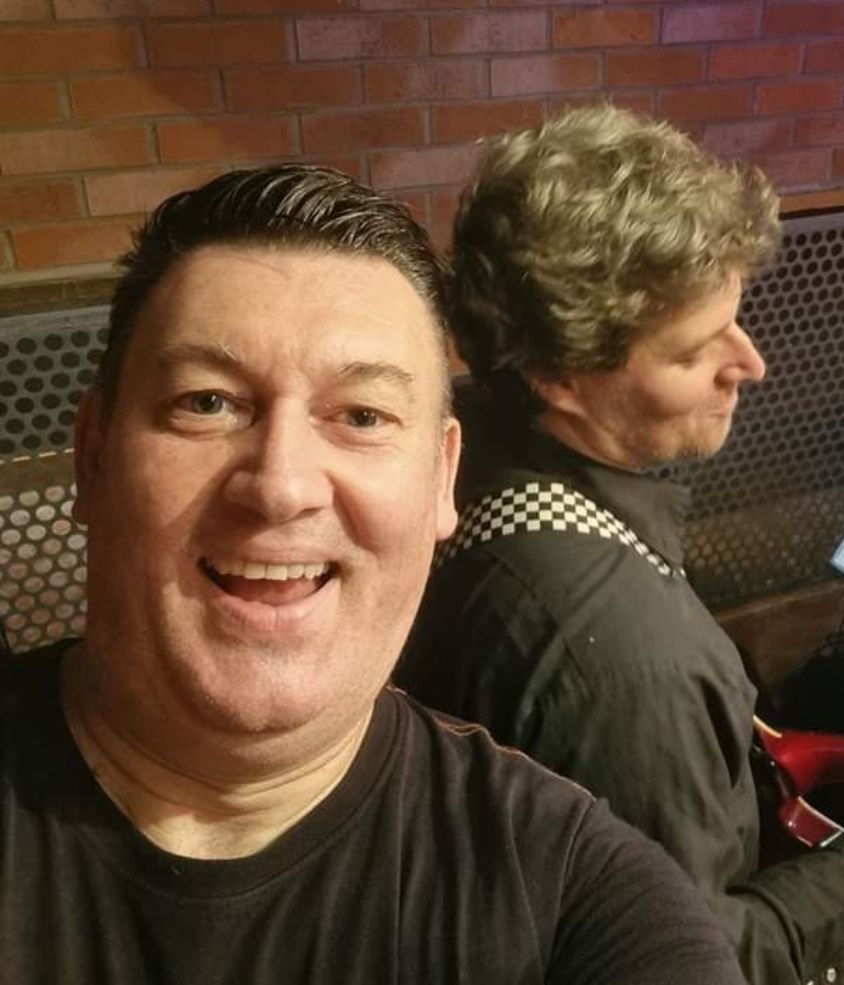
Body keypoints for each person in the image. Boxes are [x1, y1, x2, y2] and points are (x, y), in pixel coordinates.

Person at [0, 164, 749, 984]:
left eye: (362, 415)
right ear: (93, 454)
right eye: (206, 402)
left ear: (442, 478)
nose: (281, 485)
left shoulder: (578, 895)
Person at [395, 106, 844, 984]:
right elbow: (690, 957)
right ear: (559, 375)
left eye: (735, 320)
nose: (750, 364)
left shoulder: (469, 436)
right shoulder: (633, 672)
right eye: (691, 350)